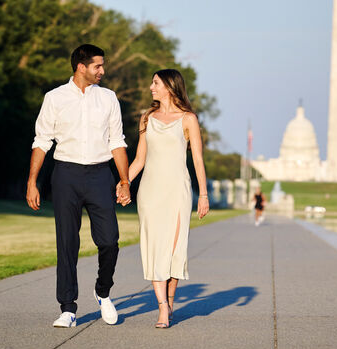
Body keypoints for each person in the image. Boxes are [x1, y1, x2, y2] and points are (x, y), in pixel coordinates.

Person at [26, 43, 132, 328]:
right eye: (98, 66)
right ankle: (68, 308)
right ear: (81, 67)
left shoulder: (108, 98)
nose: (103, 70)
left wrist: (124, 180)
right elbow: (41, 141)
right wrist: (32, 182)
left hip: (100, 175)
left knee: (109, 240)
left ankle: (103, 291)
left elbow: (116, 142)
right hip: (66, 175)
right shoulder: (55, 98)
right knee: (67, 243)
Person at [122, 69, 209, 328]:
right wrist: (124, 183)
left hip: (178, 192)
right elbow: (139, 159)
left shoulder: (188, 119)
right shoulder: (146, 118)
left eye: (156, 83)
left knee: (173, 250)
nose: (151, 87)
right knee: (154, 247)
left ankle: (170, 302)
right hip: (150, 192)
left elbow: (197, 160)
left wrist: (202, 195)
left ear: (170, 87)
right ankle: (162, 307)